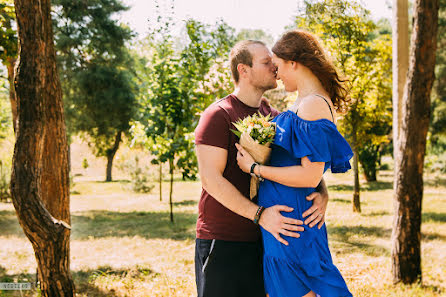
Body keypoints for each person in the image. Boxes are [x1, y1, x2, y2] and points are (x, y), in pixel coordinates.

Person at [194, 39, 331, 297]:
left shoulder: (276, 116)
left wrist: (321, 191)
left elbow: (302, 163)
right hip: (224, 241)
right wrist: (260, 214)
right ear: (243, 71)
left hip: (267, 241)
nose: (275, 67)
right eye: (266, 62)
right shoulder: (218, 115)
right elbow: (211, 180)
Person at [236, 30, 354, 297]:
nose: (276, 74)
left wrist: (255, 169)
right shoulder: (304, 102)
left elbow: (310, 175)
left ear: (293, 63)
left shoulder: (313, 104)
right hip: (287, 219)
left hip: (294, 222)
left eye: (278, 67)